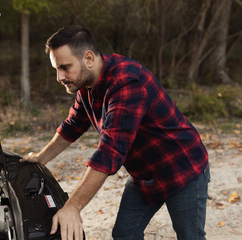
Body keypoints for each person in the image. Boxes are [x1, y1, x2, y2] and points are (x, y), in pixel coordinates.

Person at [20, 25, 210, 240]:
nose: (59, 76)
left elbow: (110, 151)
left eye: (65, 67)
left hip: (182, 169)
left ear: (89, 58)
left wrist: (72, 207)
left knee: (190, 236)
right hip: (144, 176)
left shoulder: (127, 82)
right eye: (56, 68)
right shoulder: (86, 84)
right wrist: (40, 158)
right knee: (124, 235)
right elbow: (73, 125)